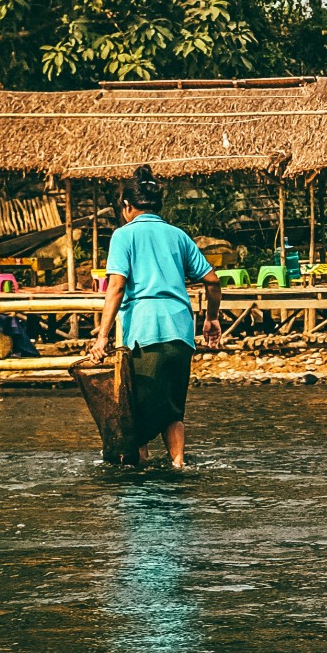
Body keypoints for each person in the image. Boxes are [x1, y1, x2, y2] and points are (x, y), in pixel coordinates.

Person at [87, 166, 222, 468]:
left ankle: (142, 473)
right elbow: (212, 280)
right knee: (173, 409)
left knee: (138, 410)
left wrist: (102, 336)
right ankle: (178, 465)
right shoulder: (178, 236)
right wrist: (212, 318)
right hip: (181, 333)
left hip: (144, 333)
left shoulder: (124, 236)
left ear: (126, 206)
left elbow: (117, 287)